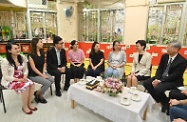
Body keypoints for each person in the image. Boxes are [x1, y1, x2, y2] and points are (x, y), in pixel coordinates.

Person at [143, 41, 187, 115]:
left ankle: (164, 102)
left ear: (176, 49)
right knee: (146, 83)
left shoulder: (182, 61)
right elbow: (160, 69)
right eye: (167, 46)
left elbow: (175, 75)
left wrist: (160, 81)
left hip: (173, 81)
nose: (167, 48)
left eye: (170, 47)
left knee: (158, 89)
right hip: (162, 77)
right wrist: (157, 79)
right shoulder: (165, 56)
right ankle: (164, 101)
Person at [1, 42, 36, 114]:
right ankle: (25, 106)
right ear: (9, 50)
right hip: (11, 80)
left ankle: (29, 103)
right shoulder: (5, 61)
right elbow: (6, 76)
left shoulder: (22, 57)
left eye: (18, 48)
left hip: (21, 77)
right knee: (25, 86)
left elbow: (26, 69)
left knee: (32, 84)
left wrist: (25, 76)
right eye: (15, 49)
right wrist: (19, 80)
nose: (18, 50)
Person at [28, 38, 54, 103]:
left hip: (41, 71)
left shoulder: (42, 52)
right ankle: (40, 96)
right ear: (36, 44)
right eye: (41, 42)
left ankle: (37, 93)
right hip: (33, 74)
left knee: (52, 79)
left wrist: (43, 72)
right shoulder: (30, 55)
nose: (42, 43)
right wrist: (42, 75)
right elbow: (33, 68)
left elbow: (44, 63)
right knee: (47, 83)